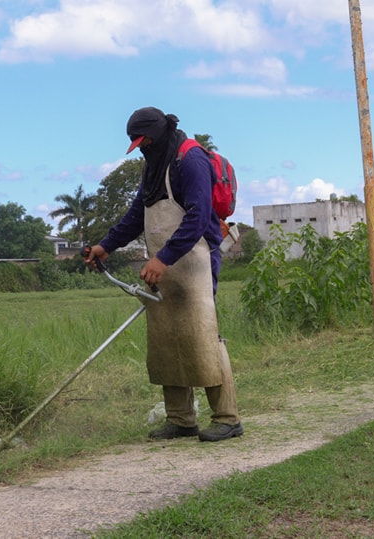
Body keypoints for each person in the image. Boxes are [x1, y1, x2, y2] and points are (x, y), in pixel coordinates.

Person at [85, 106, 242, 442]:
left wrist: (163, 258)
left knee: (204, 334)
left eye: (145, 142)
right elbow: (135, 215)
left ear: (157, 135)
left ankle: (228, 419)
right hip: (165, 265)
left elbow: (199, 218)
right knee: (167, 335)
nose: (143, 149)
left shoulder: (192, 159)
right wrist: (105, 246)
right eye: (138, 145)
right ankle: (181, 420)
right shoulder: (153, 166)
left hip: (196, 258)